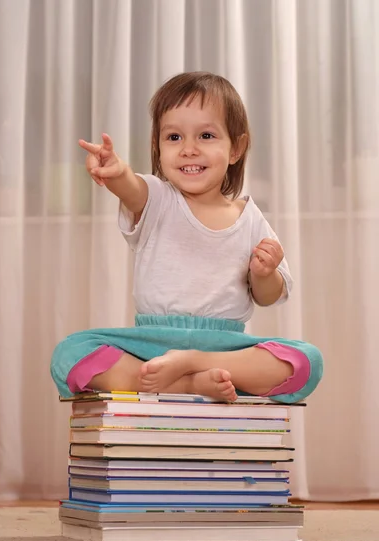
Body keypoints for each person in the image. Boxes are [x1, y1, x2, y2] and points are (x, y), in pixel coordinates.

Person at [50, 71, 323, 404]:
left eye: (206, 135)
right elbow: (131, 188)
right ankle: (187, 385)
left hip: (224, 348)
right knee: (69, 354)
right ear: (158, 147)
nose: (189, 150)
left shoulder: (249, 217)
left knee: (307, 360)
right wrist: (116, 171)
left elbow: (269, 296)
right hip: (150, 344)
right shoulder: (158, 199)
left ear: (235, 148)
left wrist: (263, 273)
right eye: (174, 138)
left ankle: (195, 365)